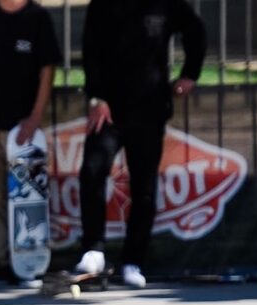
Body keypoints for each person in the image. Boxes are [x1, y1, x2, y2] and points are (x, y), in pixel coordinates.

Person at [72, 0, 206, 287]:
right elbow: (91, 50)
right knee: (92, 170)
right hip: (108, 110)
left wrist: (190, 74)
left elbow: (195, 29)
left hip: (149, 108)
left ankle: (133, 261)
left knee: (144, 187)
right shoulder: (102, 5)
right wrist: (97, 97)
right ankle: (93, 249)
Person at [0, 0, 60, 281]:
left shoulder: (38, 17)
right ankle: (6, 259)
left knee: (28, 194)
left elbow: (48, 70)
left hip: (22, 126)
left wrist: (35, 117)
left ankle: (31, 258)